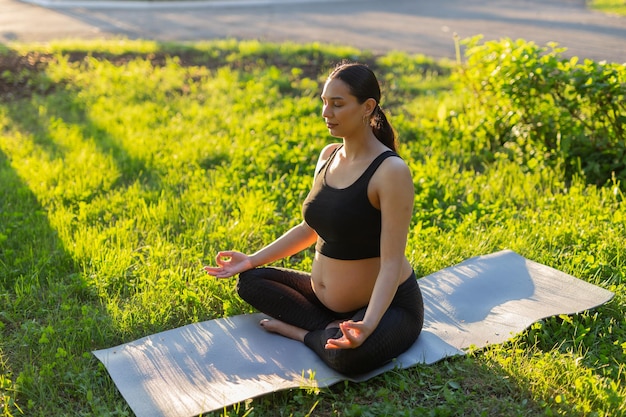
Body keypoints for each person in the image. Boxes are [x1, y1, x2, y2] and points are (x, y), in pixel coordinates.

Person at [204, 62, 424, 375]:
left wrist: (367, 324)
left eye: (338, 104)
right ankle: (329, 329)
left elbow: (391, 264)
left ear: (367, 107)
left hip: (387, 306)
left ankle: (304, 334)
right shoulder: (328, 155)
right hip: (324, 302)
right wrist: (250, 260)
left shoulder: (390, 172)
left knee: (348, 360)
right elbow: (309, 229)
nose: (326, 113)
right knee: (250, 281)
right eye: (324, 102)